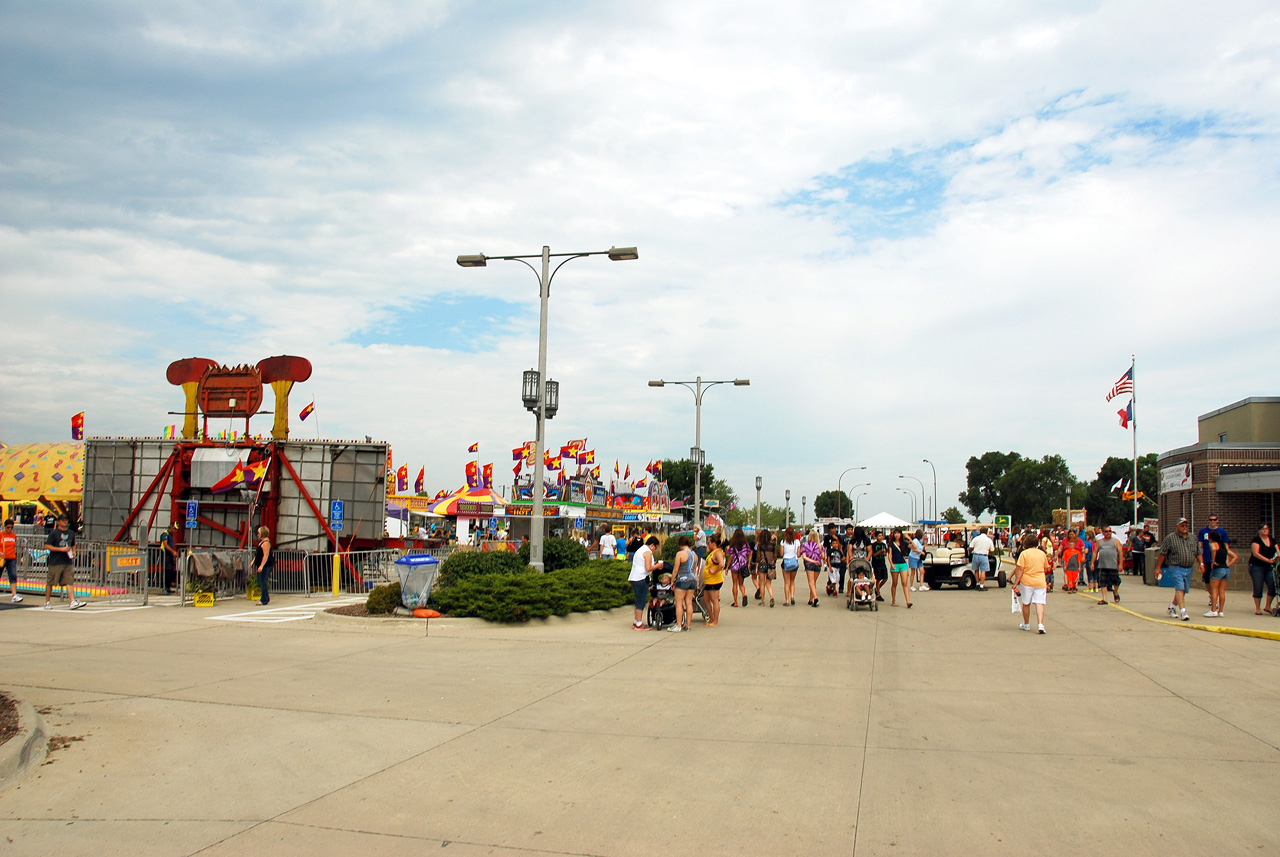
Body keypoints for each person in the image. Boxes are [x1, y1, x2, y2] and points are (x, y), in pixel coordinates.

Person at [1153, 517, 1201, 622]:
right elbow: (1162, 553)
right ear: (1177, 526)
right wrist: (1158, 568)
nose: (1184, 527)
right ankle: (1183, 611)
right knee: (1179, 587)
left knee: (1183, 590)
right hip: (1176, 567)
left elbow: (1198, 552)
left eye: (1186, 525)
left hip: (1188, 567)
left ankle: (1172, 607)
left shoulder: (1192, 538)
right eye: (1182, 525)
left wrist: (1201, 563)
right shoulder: (1170, 538)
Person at [44, 514, 84, 610]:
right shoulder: (54, 533)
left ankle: (72, 601)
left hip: (67, 561)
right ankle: (47, 601)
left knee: (69, 581)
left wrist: (74, 551)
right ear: (59, 521)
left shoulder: (70, 533)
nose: (65, 522)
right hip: (55, 561)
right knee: (50, 582)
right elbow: (47, 546)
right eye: (63, 520)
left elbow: (73, 544)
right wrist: (60, 549)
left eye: (66, 520)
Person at [1011, 532, 1048, 633]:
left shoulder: (1024, 554)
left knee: (1026, 603)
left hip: (1027, 581)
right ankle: (1040, 624)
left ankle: (1026, 624)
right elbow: (1046, 568)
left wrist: (1016, 582)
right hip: (1040, 581)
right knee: (1040, 603)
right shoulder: (1042, 554)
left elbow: (1020, 569)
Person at [628, 534, 660, 629]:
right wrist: (658, 566)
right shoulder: (647, 552)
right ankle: (639, 623)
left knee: (638, 600)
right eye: (655, 547)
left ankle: (636, 620)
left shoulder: (641, 549)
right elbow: (648, 568)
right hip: (641, 578)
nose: (655, 549)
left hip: (634, 577)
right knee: (641, 601)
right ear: (652, 545)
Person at [1204, 531, 1237, 618]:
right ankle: (1221, 611)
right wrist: (1228, 565)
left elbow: (1214, 549)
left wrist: (1213, 560)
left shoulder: (1213, 544)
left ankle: (1213, 610)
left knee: (1214, 590)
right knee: (1222, 591)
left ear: (1210, 538)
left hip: (1218, 569)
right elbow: (1235, 556)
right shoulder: (1224, 546)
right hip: (1226, 569)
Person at [1198, 515, 1229, 607]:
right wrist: (1200, 559)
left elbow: (1226, 545)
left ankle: (1216, 600)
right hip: (1206, 558)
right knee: (1207, 579)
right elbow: (1200, 544)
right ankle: (1212, 596)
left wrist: (1226, 560)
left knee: (1218, 580)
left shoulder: (1222, 532)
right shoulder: (1203, 531)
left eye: (1214, 520)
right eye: (1210, 520)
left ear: (1217, 521)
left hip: (1218, 561)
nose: (1212, 521)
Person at [669, 536, 698, 632]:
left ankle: (678, 625)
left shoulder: (680, 554)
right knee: (689, 602)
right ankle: (688, 625)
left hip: (682, 579)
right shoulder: (695, 555)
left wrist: (672, 580)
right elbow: (694, 569)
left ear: (680, 544)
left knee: (679, 603)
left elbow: (676, 569)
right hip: (692, 579)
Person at [1248, 523, 1278, 616]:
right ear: (1259, 531)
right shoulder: (1256, 540)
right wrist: (1267, 560)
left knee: (1273, 585)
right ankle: (1257, 608)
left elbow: (1278, 551)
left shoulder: (1272, 541)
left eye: (1266, 529)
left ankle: (1267, 606)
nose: (1265, 531)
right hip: (1257, 566)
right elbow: (1256, 554)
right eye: (1262, 529)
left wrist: (1275, 559)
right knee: (1258, 586)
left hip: (1269, 567)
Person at [1093, 526, 1123, 604]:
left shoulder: (1115, 541)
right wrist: (1092, 563)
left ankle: (1115, 592)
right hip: (1102, 565)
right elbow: (1095, 552)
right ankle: (1105, 599)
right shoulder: (1100, 542)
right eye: (1106, 531)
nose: (1108, 533)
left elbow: (1120, 552)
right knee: (1103, 582)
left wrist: (1121, 564)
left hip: (1113, 565)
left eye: (1110, 531)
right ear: (1103, 533)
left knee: (1115, 582)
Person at [701, 533, 725, 626]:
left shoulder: (718, 552)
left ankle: (715, 621)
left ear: (713, 543)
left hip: (714, 581)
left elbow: (721, 564)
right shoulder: (712, 552)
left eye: (709, 542)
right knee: (705, 600)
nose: (708, 544)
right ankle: (711, 618)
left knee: (714, 600)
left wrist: (715, 570)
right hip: (709, 581)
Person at [845, 526, 872, 605]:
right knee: (852, 576)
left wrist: (868, 558)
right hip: (855, 561)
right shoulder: (852, 541)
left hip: (864, 561)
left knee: (866, 575)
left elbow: (870, 550)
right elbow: (849, 549)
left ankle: (869, 594)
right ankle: (851, 591)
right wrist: (851, 557)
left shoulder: (866, 540)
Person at [726, 528, 752, 608]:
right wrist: (749, 562)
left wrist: (727, 567)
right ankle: (744, 594)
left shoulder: (733, 545)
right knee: (741, 584)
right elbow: (749, 553)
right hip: (743, 565)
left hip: (734, 566)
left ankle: (735, 602)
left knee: (734, 584)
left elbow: (730, 556)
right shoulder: (746, 545)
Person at [888, 529, 912, 608]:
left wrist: (909, 538)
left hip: (903, 564)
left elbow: (914, 547)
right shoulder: (891, 544)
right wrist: (891, 564)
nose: (896, 535)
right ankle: (893, 600)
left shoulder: (904, 543)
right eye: (895, 533)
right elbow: (889, 555)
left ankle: (908, 601)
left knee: (904, 583)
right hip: (895, 564)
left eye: (898, 533)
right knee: (894, 583)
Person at [800, 529, 823, 607]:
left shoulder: (806, 545)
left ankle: (815, 598)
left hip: (809, 564)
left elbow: (804, 557)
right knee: (814, 582)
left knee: (811, 582)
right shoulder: (820, 546)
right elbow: (823, 556)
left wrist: (812, 561)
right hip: (818, 564)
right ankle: (811, 599)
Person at [779, 526, 801, 605]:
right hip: (794, 562)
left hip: (786, 562)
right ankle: (792, 596)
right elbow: (798, 554)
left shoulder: (783, 542)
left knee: (786, 582)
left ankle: (787, 600)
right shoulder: (797, 542)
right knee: (792, 581)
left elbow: (781, 554)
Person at [253, 525, 274, 607]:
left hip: (266, 566)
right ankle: (266, 597)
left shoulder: (266, 543)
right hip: (261, 565)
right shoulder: (261, 543)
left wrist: (261, 566)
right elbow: (258, 554)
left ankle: (264, 599)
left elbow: (265, 555)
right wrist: (253, 561)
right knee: (260, 581)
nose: (257, 535)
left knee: (263, 582)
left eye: (258, 533)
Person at [755, 528, 776, 607]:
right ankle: (771, 596)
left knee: (762, 583)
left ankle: (763, 601)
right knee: (769, 583)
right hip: (770, 565)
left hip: (762, 564)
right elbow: (775, 556)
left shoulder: (760, 545)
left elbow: (758, 557)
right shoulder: (773, 545)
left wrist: (757, 567)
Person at [2, 519, 21, 602]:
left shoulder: (13, 536)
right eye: (8, 527)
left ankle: (14, 595)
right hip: (2, 558)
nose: (9, 529)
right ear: (5, 527)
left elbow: (14, 545)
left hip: (11, 557)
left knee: (13, 575)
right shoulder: (1, 534)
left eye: (11, 527)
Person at [823, 524, 846, 597]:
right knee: (831, 575)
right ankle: (833, 589)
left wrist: (836, 539)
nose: (834, 530)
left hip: (838, 556)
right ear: (829, 529)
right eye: (832, 528)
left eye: (835, 528)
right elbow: (825, 547)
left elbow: (840, 547)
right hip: (830, 556)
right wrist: (825, 559)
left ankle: (832, 587)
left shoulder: (838, 536)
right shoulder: (827, 537)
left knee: (838, 576)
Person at [970, 526, 994, 590]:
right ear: (987, 532)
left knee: (976, 570)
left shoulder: (976, 539)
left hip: (976, 555)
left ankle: (977, 583)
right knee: (983, 571)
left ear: (980, 532)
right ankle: (981, 585)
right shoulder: (989, 540)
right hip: (984, 556)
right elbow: (992, 550)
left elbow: (971, 547)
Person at [159, 521, 179, 594]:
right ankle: (164, 587)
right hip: (165, 553)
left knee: (171, 571)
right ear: (171, 527)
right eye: (174, 529)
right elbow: (166, 545)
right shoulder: (165, 534)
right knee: (167, 570)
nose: (175, 531)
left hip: (170, 554)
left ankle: (168, 587)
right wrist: (173, 551)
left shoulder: (171, 535)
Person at [869, 529, 889, 602]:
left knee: (885, 578)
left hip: (882, 563)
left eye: (882, 536)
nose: (881, 537)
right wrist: (880, 552)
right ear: (876, 537)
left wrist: (884, 553)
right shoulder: (873, 545)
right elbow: (874, 555)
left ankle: (877, 589)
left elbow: (885, 554)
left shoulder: (883, 545)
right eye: (879, 536)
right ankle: (878, 594)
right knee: (878, 579)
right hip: (876, 564)